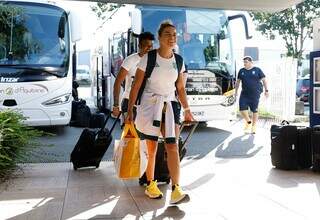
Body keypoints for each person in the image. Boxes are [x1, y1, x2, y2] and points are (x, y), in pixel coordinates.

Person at [126, 21, 195, 204]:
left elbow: (180, 88)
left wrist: (187, 110)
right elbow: (136, 85)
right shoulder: (148, 58)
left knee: (172, 146)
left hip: (170, 106)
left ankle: (176, 189)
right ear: (159, 37)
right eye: (167, 34)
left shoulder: (178, 61)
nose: (172, 38)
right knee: (152, 148)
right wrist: (130, 110)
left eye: (174, 34)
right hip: (150, 107)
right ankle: (151, 184)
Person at [112, 32, 155, 124]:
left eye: (151, 46)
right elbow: (118, 82)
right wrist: (116, 105)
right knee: (130, 134)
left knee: (144, 136)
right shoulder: (130, 60)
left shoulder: (155, 61)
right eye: (146, 46)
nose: (149, 49)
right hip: (129, 101)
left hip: (147, 102)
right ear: (139, 46)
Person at [235, 56, 269, 134]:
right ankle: (248, 121)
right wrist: (236, 91)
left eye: (246, 62)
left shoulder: (257, 70)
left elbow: (264, 81)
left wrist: (266, 90)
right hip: (244, 94)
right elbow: (238, 82)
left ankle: (253, 126)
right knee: (242, 109)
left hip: (255, 94)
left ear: (251, 62)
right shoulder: (241, 71)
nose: (245, 64)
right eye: (244, 62)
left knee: (254, 110)